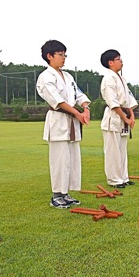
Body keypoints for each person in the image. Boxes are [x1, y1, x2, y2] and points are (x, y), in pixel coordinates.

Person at [36, 40, 91, 209]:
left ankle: (66, 193)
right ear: (49, 56)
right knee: (59, 160)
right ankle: (56, 195)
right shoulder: (46, 77)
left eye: (64, 55)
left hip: (73, 122)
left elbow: (79, 94)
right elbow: (57, 100)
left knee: (72, 159)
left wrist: (86, 108)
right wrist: (77, 113)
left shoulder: (67, 76)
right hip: (59, 121)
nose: (64, 58)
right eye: (60, 55)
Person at [100, 49, 138, 188]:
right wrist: (125, 118)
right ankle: (114, 180)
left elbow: (129, 100)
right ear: (110, 62)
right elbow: (113, 102)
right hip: (113, 118)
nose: (121, 61)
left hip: (124, 117)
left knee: (122, 150)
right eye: (118, 59)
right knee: (113, 151)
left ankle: (123, 177)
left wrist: (131, 115)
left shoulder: (122, 79)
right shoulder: (108, 78)